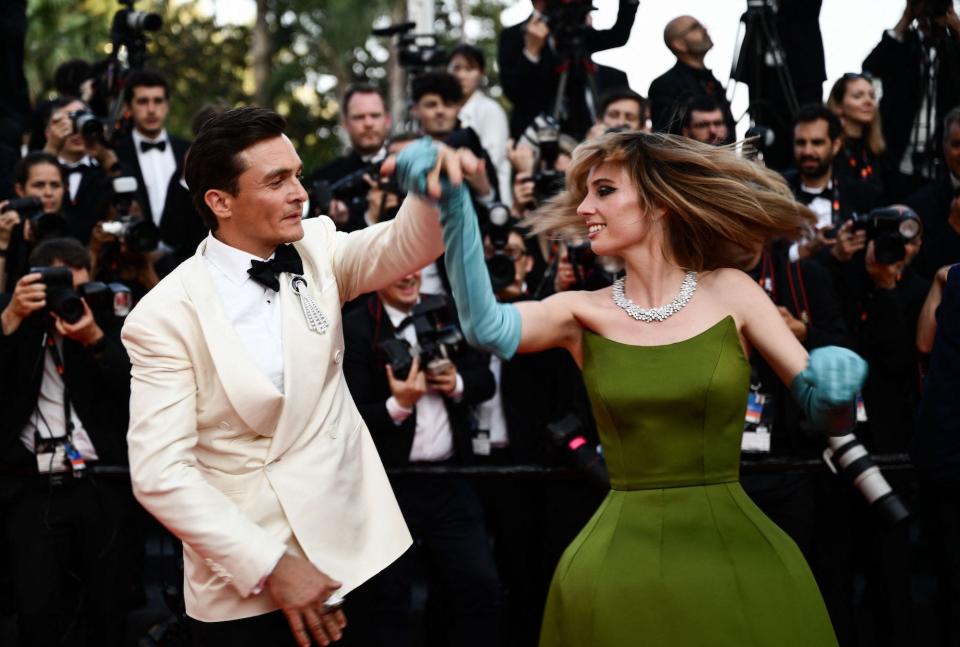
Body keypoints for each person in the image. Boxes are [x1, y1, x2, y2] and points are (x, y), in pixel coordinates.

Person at [403, 130, 868, 645]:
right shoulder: (580, 311)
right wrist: (453, 207)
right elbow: (484, 328)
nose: (582, 208)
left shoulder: (734, 291)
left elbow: (827, 417)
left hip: (739, 559)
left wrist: (836, 395)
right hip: (616, 568)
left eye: (603, 191)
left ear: (660, 204)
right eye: (584, 193)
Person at [121, 106, 473, 646]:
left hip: (365, 548)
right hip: (249, 584)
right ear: (220, 201)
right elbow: (160, 474)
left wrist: (430, 190)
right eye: (277, 180)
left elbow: (406, 245)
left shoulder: (316, 245)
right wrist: (271, 565)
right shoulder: (162, 315)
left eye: (298, 175)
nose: (300, 193)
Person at [341, 270, 500, 647]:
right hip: (387, 485)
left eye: (418, 266)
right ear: (376, 272)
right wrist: (399, 405)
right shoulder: (354, 326)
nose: (410, 274)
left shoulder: (446, 313)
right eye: (398, 265)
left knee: (479, 584)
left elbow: (485, 381)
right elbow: (345, 415)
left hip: (450, 479)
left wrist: (456, 383)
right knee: (388, 598)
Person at [0, 237, 131, 647]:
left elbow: (137, 392)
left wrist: (93, 338)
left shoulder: (104, 319)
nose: (65, 302)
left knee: (108, 611)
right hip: (30, 488)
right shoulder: (13, 323)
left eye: (76, 291)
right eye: (55, 292)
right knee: (38, 613)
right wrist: (11, 320)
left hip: (101, 484)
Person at [497, 0, 639, 140]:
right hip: (535, 138)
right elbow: (513, 91)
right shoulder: (514, 35)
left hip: (584, 132)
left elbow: (618, 36)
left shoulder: (579, 33)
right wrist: (531, 51)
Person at [863, 0, 960, 197]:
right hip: (899, 157)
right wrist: (906, 19)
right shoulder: (902, 44)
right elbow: (871, 66)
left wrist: (956, 28)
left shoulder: (951, 49)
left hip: (941, 160)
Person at [783, 104, 882, 262]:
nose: (807, 151)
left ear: (835, 146)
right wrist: (804, 251)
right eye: (801, 143)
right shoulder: (776, 190)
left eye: (817, 143)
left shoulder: (862, 196)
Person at [115, 70, 190, 238]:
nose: (151, 109)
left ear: (167, 105)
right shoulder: (116, 153)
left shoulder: (186, 150)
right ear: (128, 107)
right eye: (143, 101)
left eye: (158, 101)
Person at [311, 84, 392, 232]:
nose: (368, 123)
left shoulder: (408, 167)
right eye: (359, 117)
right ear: (346, 124)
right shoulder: (325, 178)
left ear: (387, 120)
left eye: (375, 115)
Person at [41, 97, 117, 243]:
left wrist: (104, 152)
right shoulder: (38, 165)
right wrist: (51, 148)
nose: (76, 131)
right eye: (67, 122)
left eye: (81, 120)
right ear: (48, 131)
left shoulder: (106, 169)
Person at [648, 15, 735, 138]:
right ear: (679, 44)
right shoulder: (665, 85)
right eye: (695, 27)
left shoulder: (713, 83)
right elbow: (665, 138)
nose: (704, 29)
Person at [449, 44, 512, 206]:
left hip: (492, 201)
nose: (461, 75)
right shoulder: (446, 111)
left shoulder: (491, 110)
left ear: (481, 72)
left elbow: (493, 159)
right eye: (456, 68)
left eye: (469, 69)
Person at [0, 151, 69, 292]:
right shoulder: (8, 229)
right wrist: (2, 243)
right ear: (20, 190)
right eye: (39, 185)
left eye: (55, 185)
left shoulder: (73, 229)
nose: (48, 193)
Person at [906, 106, 960, 279]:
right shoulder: (919, 204)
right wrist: (953, 227)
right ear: (944, 148)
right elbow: (917, 272)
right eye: (957, 145)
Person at [826, 73, 888, 203]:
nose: (868, 101)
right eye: (858, 96)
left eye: (872, 96)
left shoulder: (877, 151)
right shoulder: (828, 148)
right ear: (839, 106)